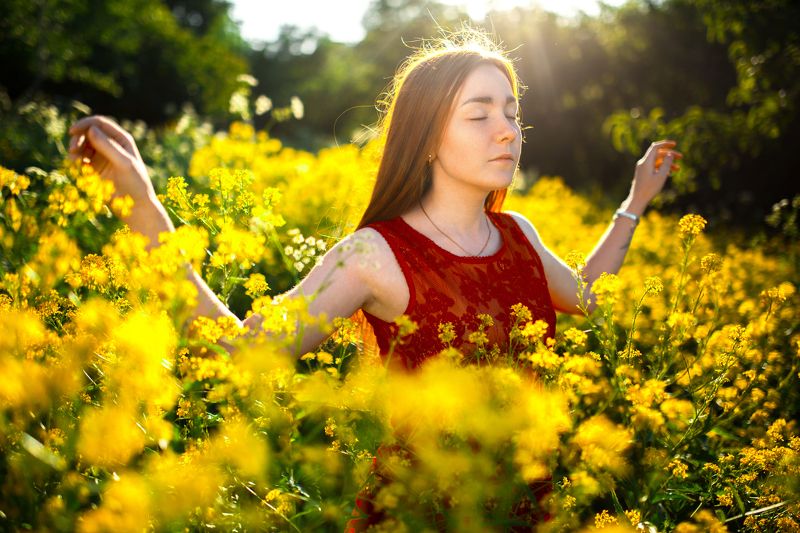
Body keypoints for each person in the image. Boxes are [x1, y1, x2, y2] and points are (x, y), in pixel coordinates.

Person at [68, 31, 680, 529]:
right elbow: (244, 351)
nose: (507, 130)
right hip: (418, 515)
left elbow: (589, 298)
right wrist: (143, 206)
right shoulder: (373, 254)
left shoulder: (518, 235)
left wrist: (635, 199)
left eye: (513, 113)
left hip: (529, 510)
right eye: (479, 113)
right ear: (427, 137)